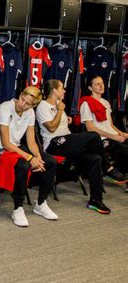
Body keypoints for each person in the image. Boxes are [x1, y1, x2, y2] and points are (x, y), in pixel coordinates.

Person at [37, 79, 119, 214]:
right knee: (93, 136)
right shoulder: (43, 106)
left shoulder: (59, 104)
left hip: (67, 141)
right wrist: (59, 111)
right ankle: (108, 167)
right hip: (53, 144)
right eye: (61, 88)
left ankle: (96, 200)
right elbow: (51, 128)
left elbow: (60, 125)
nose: (64, 91)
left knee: (95, 159)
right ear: (54, 91)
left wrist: (66, 118)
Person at [0, 86, 58, 227]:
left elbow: (31, 142)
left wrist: (38, 157)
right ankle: (18, 207)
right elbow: (6, 143)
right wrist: (30, 159)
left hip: (16, 148)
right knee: (23, 165)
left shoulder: (30, 113)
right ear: (20, 95)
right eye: (22, 99)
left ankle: (41, 203)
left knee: (50, 162)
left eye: (28, 103)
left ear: (34, 105)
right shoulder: (4, 108)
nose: (22, 104)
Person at [79, 76, 128, 190]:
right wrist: (113, 136)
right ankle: (117, 174)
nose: (101, 86)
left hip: (112, 135)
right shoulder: (86, 104)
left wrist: (121, 133)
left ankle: (123, 175)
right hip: (101, 139)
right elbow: (90, 128)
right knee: (125, 151)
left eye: (102, 83)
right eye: (97, 84)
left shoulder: (106, 102)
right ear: (90, 88)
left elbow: (110, 125)